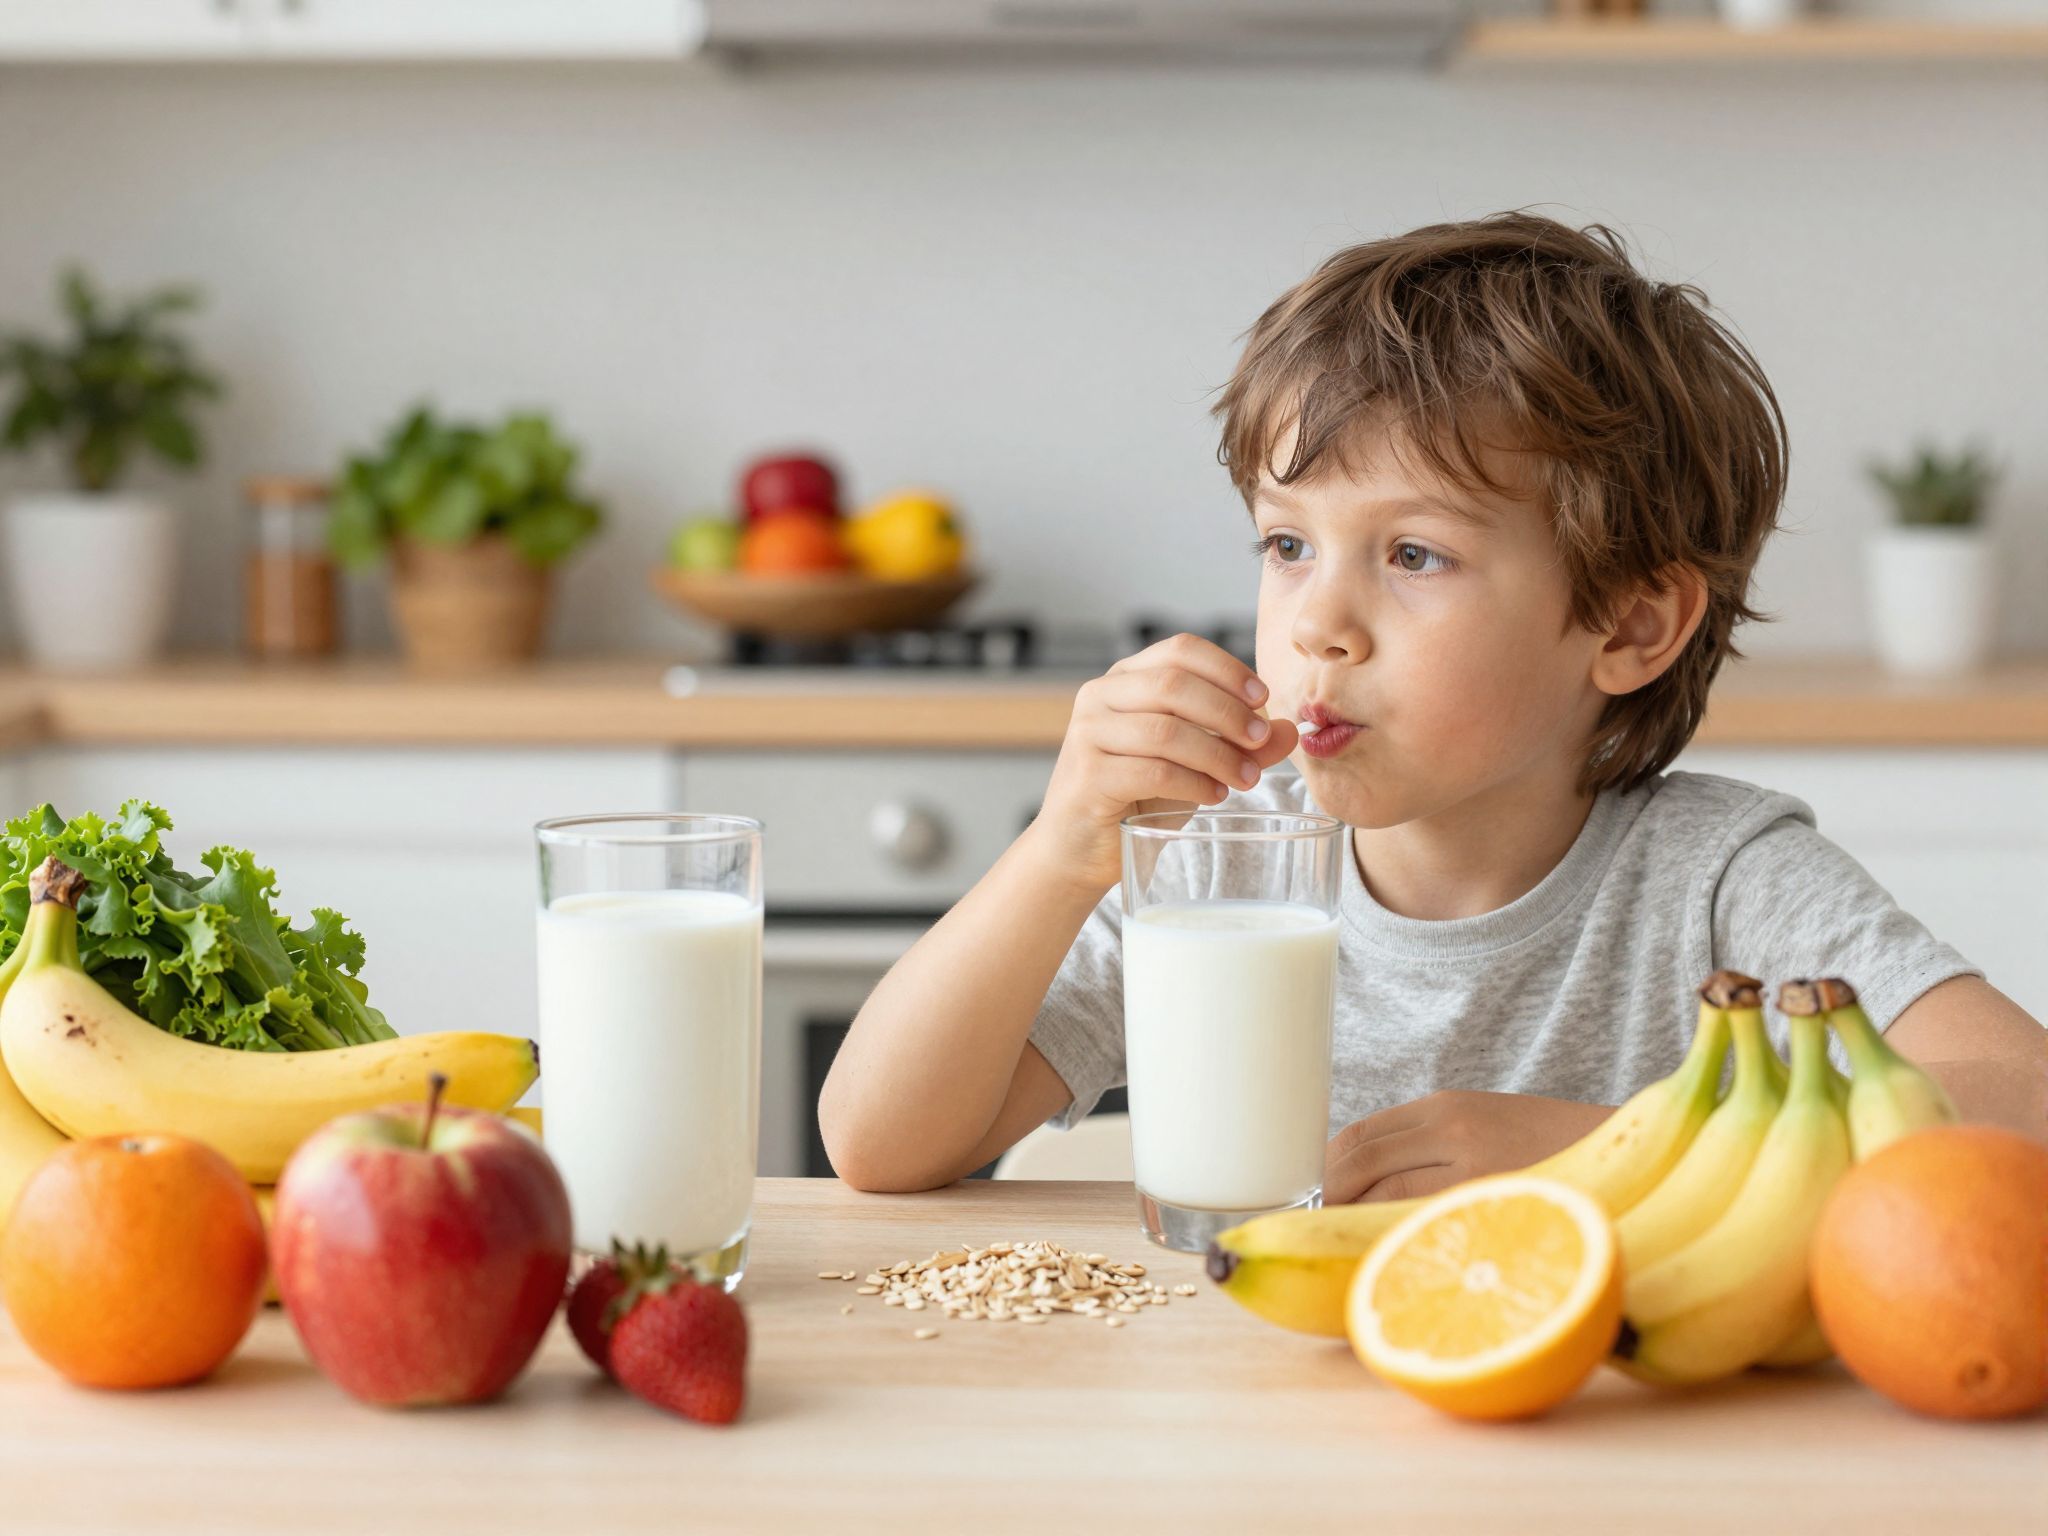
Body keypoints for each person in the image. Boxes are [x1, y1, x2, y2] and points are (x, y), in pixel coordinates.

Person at [819, 211, 2047, 1201]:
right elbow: (878, 1144)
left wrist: (1616, 1149)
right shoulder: (1216, 867)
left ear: (1627, 625)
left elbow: (2023, 1106)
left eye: (1412, 556)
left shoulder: (1714, 877)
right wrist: (1056, 853)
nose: (1314, 623)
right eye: (1287, 544)